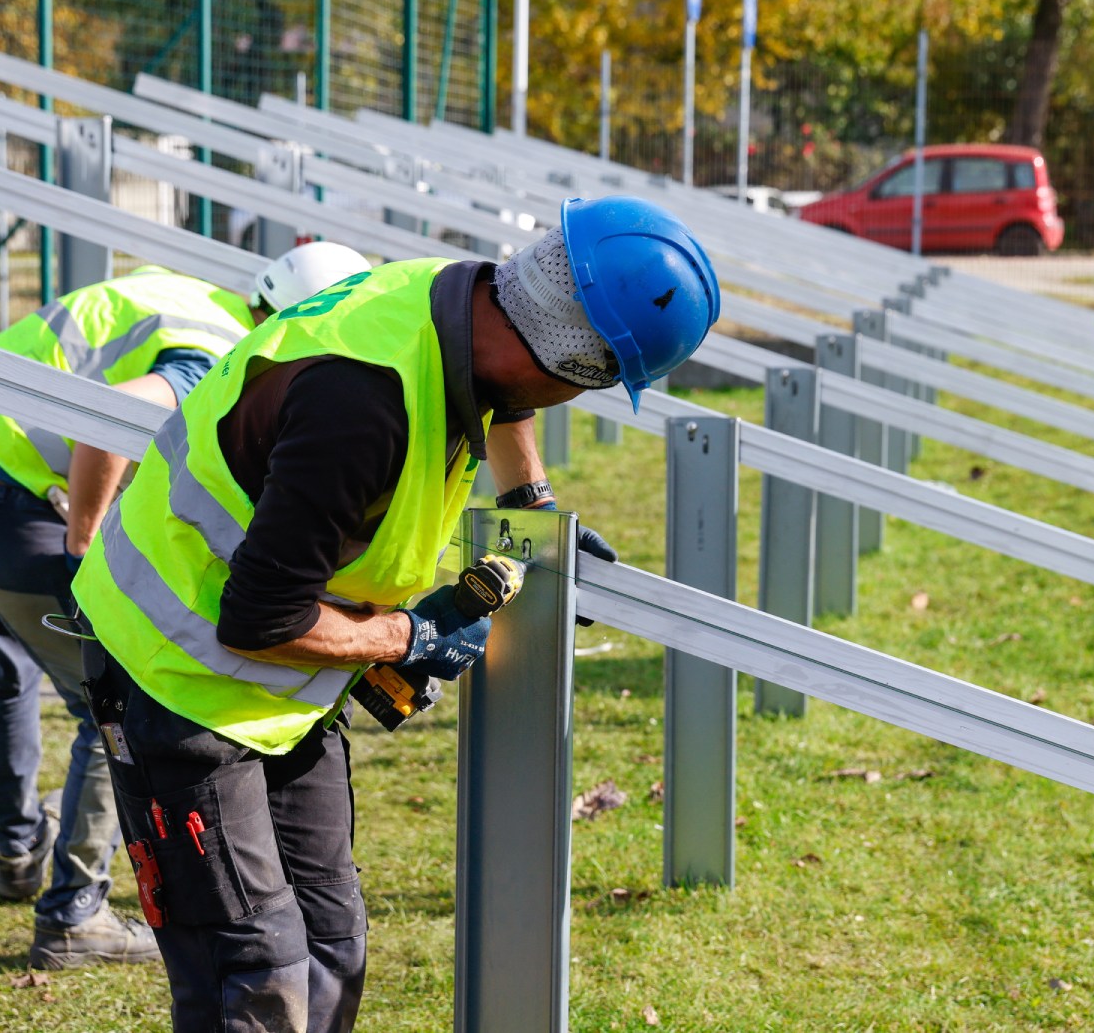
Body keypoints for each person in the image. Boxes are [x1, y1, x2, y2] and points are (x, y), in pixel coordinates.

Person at [71, 195, 719, 1031]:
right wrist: (408, 635)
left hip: (274, 686)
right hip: (174, 679)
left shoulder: (460, 303)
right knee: (254, 968)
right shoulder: (363, 405)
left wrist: (533, 506)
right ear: (574, 362)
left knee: (332, 944)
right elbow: (259, 618)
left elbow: (508, 398)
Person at [0, 242, 371, 971]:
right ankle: (73, 914)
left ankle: (21, 851)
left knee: (9, 658)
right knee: (110, 693)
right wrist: (85, 546)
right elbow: (107, 419)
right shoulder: (217, 351)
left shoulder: (187, 294)